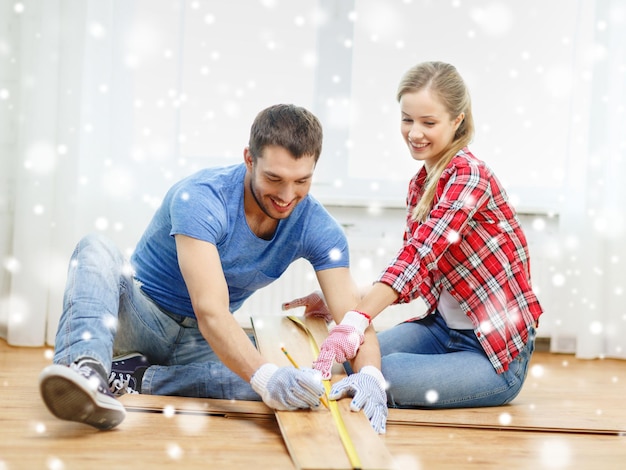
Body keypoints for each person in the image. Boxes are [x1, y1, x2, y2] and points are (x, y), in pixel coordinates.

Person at [38, 103, 374, 431]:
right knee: (94, 248)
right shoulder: (200, 197)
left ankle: (134, 378)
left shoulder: (319, 227)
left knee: (291, 383)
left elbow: (355, 320)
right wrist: (266, 378)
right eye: (274, 178)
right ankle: (85, 370)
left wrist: (370, 377)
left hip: (201, 344)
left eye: (302, 181)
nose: (287, 195)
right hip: (144, 318)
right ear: (249, 159)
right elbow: (210, 310)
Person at [292, 61, 543, 412]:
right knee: (361, 360)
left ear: (457, 121)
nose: (414, 132)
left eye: (429, 122)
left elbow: (421, 254)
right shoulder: (422, 183)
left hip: (492, 353)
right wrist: (341, 299)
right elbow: (415, 271)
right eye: (407, 119)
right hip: (443, 331)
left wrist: (355, 318)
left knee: (382, 373)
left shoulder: (470, 176)